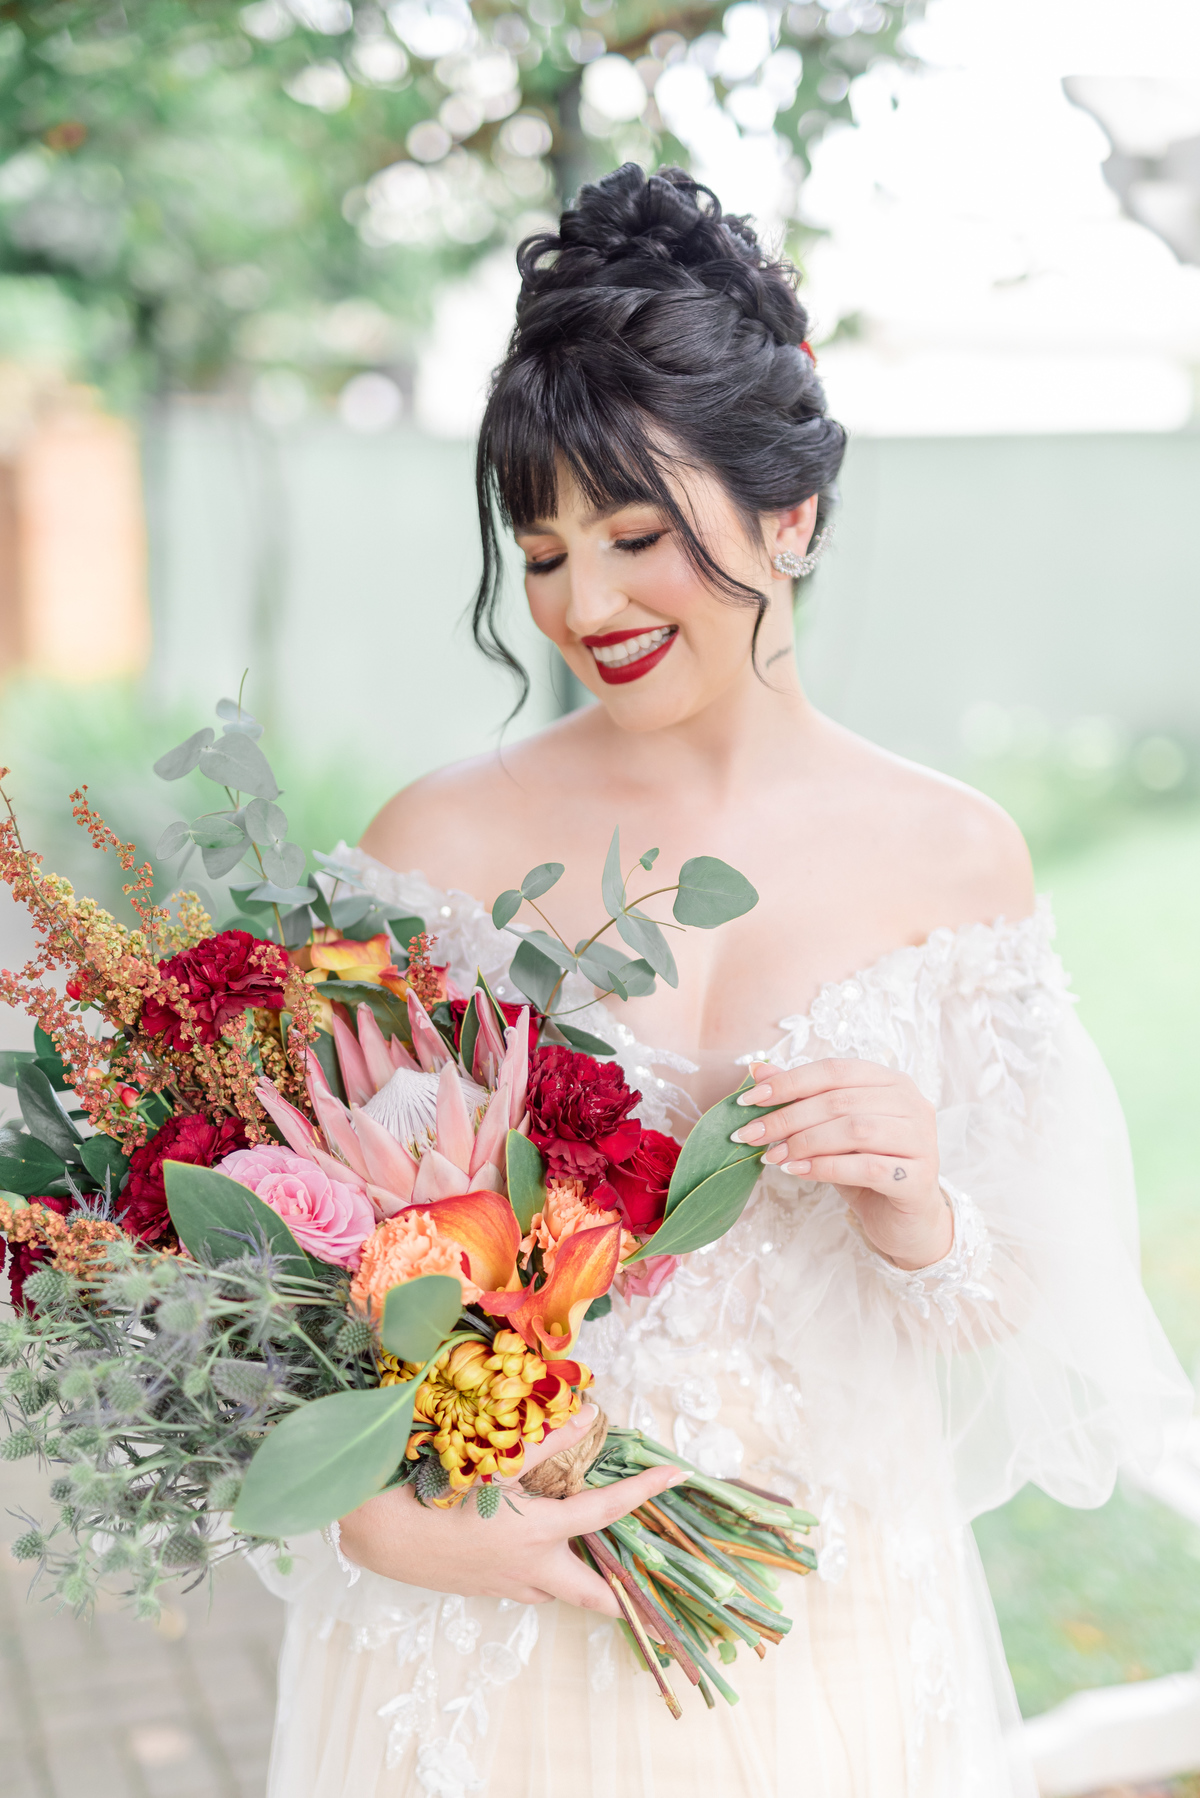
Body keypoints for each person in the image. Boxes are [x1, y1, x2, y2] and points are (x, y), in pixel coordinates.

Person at [259, 164, 1190, 1797]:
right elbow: (286, 1260)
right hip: (482, 1634)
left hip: (821, 1628)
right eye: (542, 549)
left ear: (793, 515)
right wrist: (384, 1523)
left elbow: (1023, 1307)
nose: (584, 604)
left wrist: (918, 1203)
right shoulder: (426, 847)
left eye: (635, 535)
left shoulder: (955, 856)